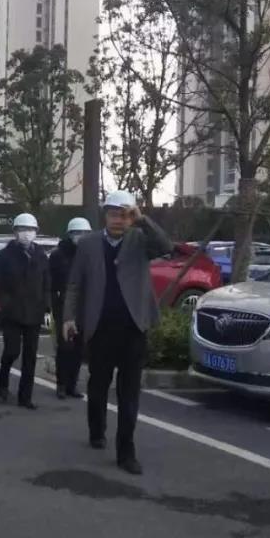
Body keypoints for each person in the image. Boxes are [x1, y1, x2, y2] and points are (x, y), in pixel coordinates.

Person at [63, 190, 172, 475]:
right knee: (98, 385)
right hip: (100, 327)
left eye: (124, 215)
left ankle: (126, 452)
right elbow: (74, 284)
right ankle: (96, 429)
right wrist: (69, 318)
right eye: (114, 214)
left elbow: (165, 246)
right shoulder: (88, 244)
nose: (118, 220)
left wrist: (142, 220)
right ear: (105, 215)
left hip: (133, 327)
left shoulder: (139, 239)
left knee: (129, 392)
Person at [0, 213, 50, 410]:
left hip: (34, 312)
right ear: (15, 232)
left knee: (30, 357)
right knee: (12, 351)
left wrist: (45, 304)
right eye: (22, 229)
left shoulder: (40, 255)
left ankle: (25, 397)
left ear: (36, 232)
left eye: (30, 230)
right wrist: (5, 303)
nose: (26, 233)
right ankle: (3, 382)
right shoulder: (5, 255)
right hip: (12, 313)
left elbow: (47, 282)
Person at [50, 217, 92, 400]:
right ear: (69, 234)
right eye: (77, 233)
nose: (80, 236)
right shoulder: (58, 255)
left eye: (85, 233)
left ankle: (72, 385)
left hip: (83, 306)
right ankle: (61, 384)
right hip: (63, 305)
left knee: (79, 348)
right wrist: (53, 305)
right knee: (65, 346)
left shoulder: (89, 255)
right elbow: (51, 283)